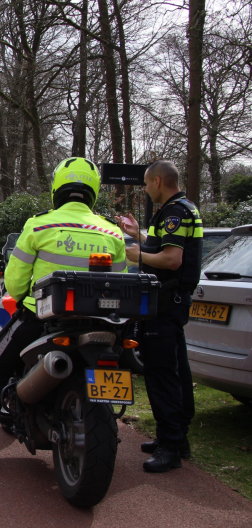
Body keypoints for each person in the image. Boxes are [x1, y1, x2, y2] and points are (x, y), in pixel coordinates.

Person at [0, 157, 127, 468]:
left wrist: (24, 297)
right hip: (98, 323)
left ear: (56, 189)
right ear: (93, 191)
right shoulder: (112, 231)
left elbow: (15, 283)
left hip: (41, 321)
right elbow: (119, 282)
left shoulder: (39, 225)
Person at [116, 160, 201, 473]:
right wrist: (138, 236)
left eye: (146, 184)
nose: (145, 190)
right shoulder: (182, 208)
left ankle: (170, 446)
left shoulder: (174, 212)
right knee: (177, 370)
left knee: (161, 373)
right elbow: (164, 246)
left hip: (166, 304)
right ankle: (178, 438)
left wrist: (136, 254)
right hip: (172, 303)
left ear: (158, 181)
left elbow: (172, 259)